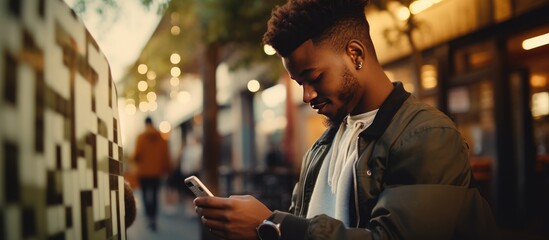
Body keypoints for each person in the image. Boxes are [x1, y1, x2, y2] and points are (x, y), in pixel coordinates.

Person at [193, 0, 498, 239]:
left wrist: (271, 225)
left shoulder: (428, 135)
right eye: (299, 83)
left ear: (355, 54)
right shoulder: (323, 146)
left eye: (313, 78)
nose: (307, 96)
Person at [132, 116, 171, 231]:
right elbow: (165, 156)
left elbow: (137, 155)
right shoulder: (161, 137)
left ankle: (149, 216)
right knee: (154, 195)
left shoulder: (140, 137)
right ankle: (153, 218)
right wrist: (168, 169)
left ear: (145, 124)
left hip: (143, 173)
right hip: (157, 173)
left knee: (144, 195)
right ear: (152, 123)